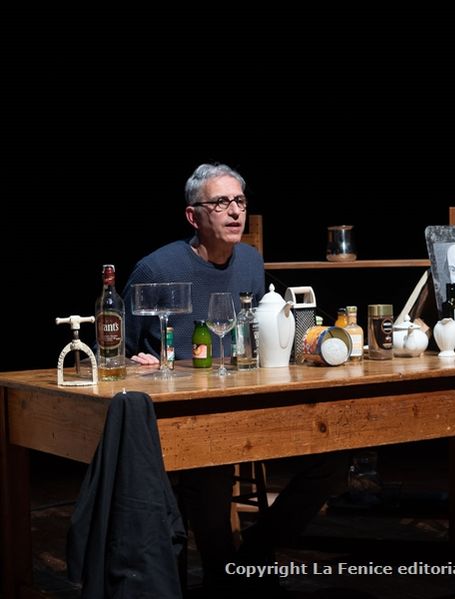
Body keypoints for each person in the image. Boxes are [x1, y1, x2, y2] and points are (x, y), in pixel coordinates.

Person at [122, 163, 348, 596]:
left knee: (335, 456)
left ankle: (254, 554)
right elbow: (118, 348)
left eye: (240, 201)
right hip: (189, 416)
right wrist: (137, 362)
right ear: (193, 216)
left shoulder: (250, 261)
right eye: (221, 202)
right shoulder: (156, 269)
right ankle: (223, 575)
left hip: (248, 399)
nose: (234, 211)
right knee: (211, 464)